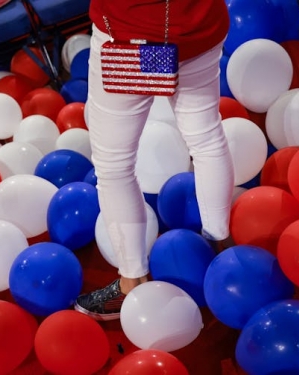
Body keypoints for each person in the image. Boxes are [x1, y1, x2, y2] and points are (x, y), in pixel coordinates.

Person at [74, 0, 235, 321]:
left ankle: (132, 280)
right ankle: (223, 254)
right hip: (198, 27)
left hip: (129, 31)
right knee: (206, 139)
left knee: (113, 166)